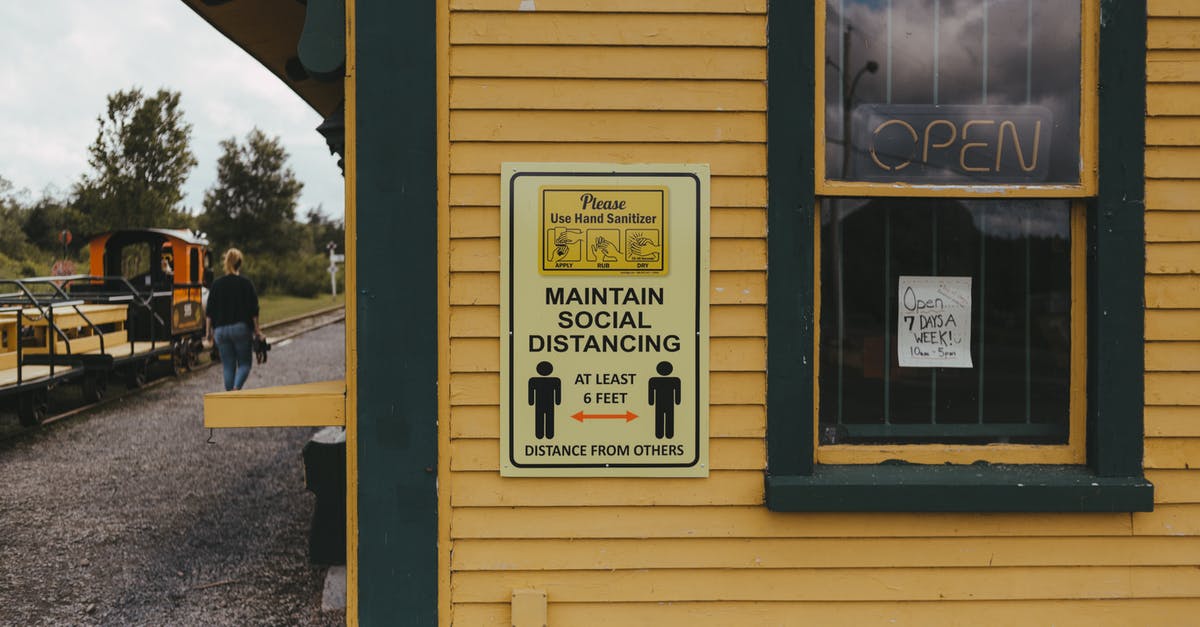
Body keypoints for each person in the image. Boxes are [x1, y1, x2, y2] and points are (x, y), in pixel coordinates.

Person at [205, 248, 263, 391]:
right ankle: (236, 389)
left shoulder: (217, 284)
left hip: (220, 331)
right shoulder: (246, 283)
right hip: (241, 329)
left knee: (228, 365)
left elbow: (209, 311)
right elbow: (253, 310)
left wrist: (208, 333)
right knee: (244, 364)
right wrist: (257, 331)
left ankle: (230, 395)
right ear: (239, 264)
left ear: (226, 263)